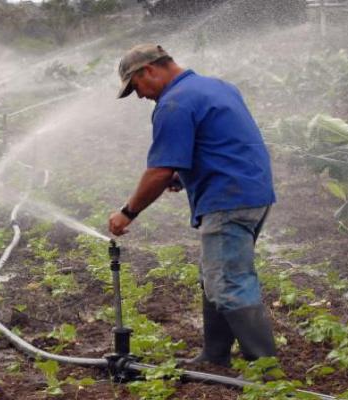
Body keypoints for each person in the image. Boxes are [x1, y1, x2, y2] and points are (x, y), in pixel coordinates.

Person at [108, 44, 277, 367]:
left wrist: (127, 212)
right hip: (252, 191)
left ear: (149, 71)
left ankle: (266, 368)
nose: (140, 96)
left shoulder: (174, 102)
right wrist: (185, 178)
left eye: (137, 87)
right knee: (215, 274)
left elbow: (158, 172)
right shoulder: (217, 87)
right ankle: (214, 355)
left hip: (227, 199)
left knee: (228, 281)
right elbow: (224, 142)